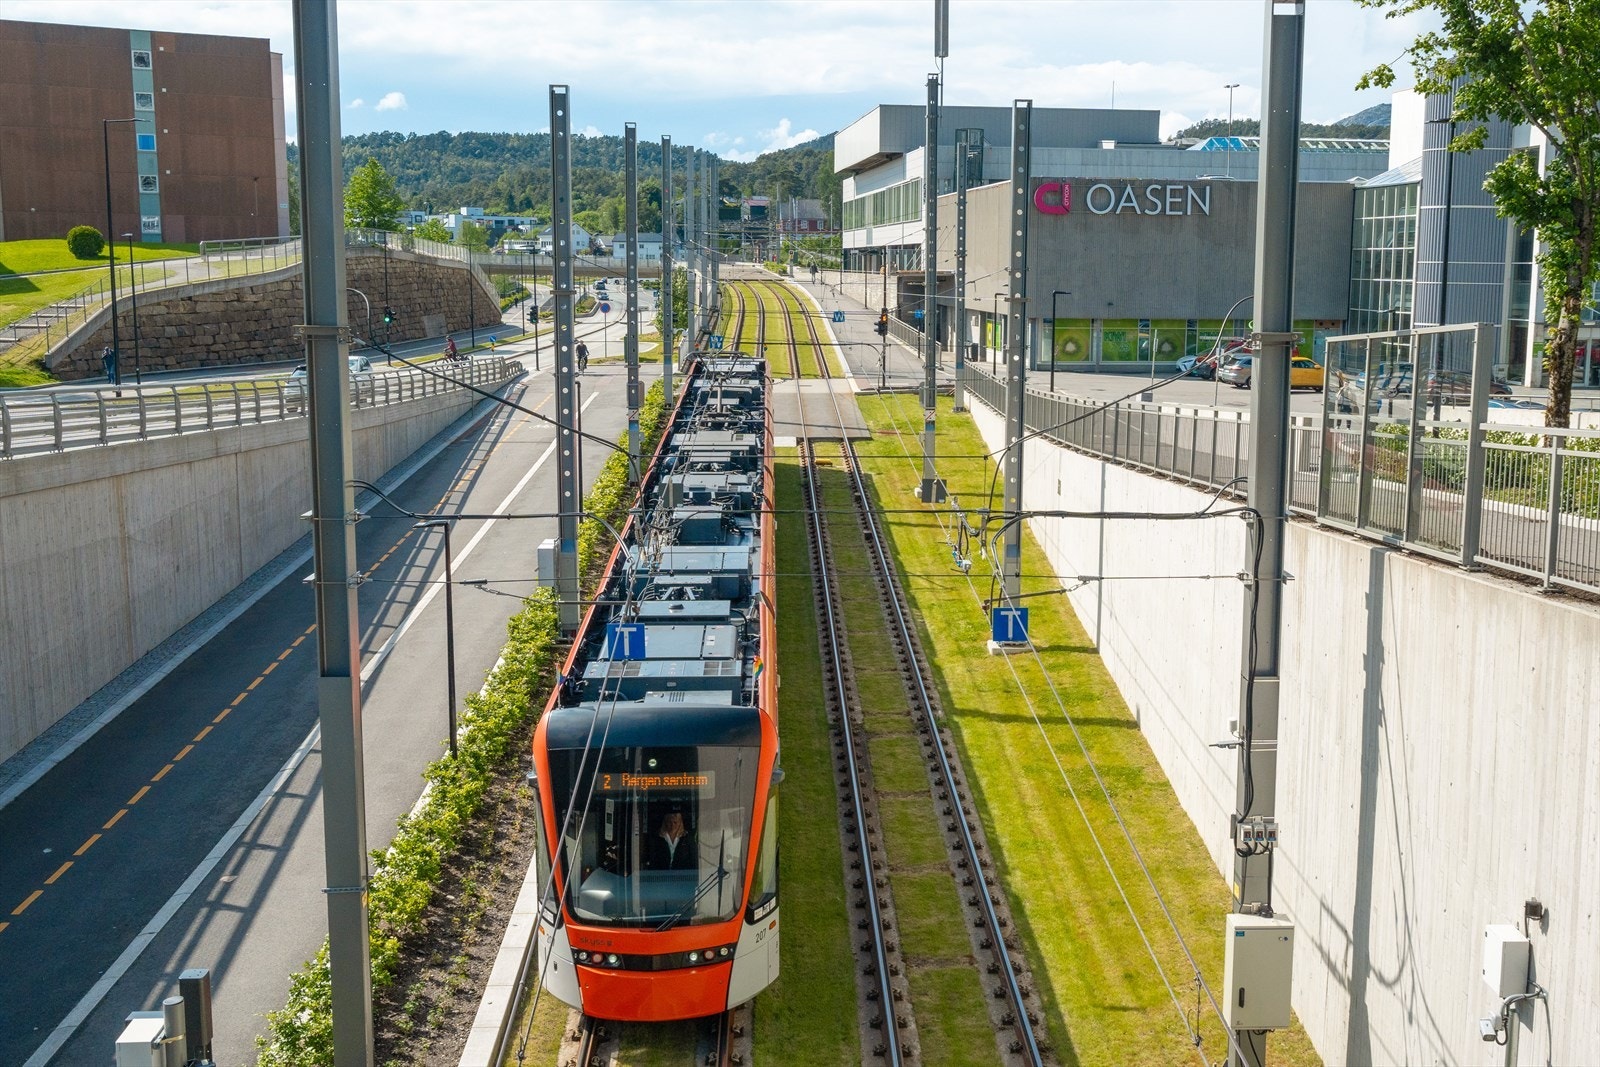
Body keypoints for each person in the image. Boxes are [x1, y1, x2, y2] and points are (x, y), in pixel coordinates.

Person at [645, 803, 695, 870]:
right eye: (669, 822)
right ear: (665, 822)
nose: (672, 825)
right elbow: (652, 860)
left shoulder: (688, 839)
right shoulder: (656, 838)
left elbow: (694, 861)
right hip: (660, 876)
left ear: (680, 823)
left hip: (682, 877)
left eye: (675, 822)